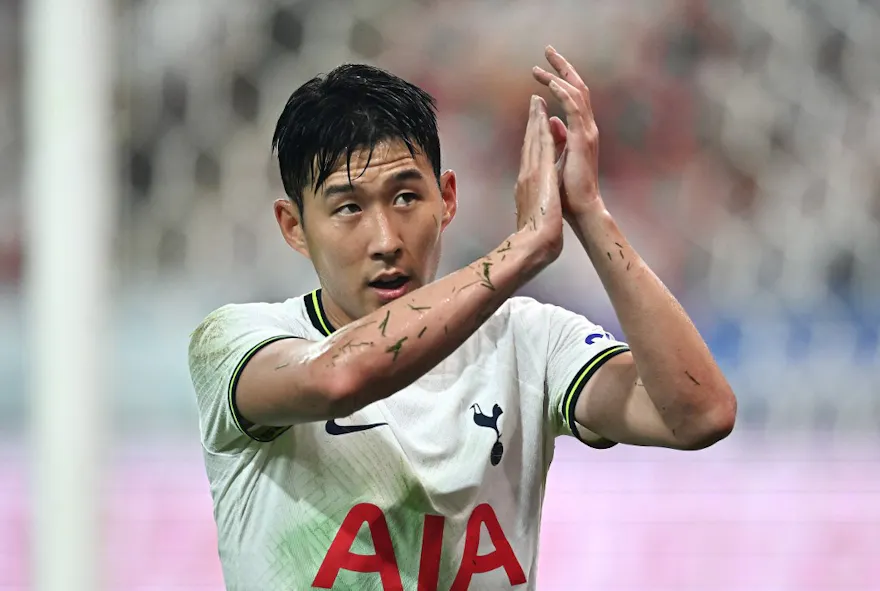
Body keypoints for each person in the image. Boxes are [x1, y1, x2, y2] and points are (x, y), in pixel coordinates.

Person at [188, 46, 736, 591]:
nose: (385, 241)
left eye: (405, 197)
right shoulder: (238, 342)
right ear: (294, 227)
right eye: (348, 208)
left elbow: (699, 414)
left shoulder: (528, 339)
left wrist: (589, 211)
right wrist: (523, 250)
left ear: (447, 199)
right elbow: (337, 378)